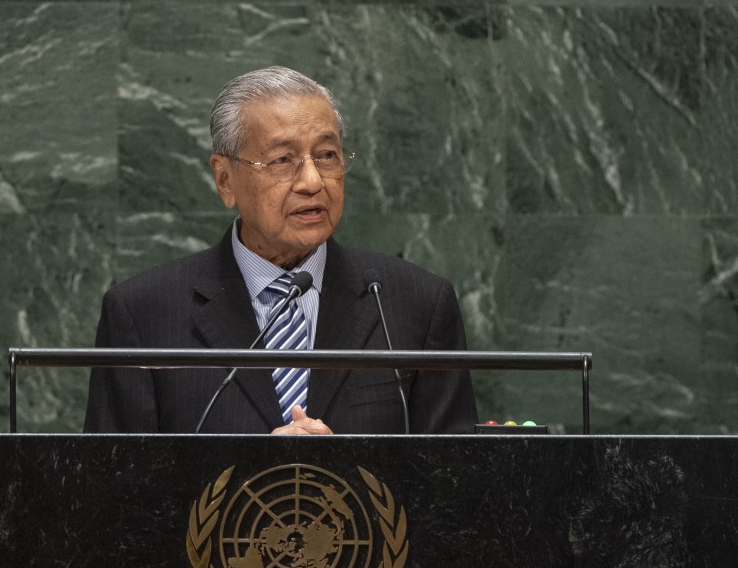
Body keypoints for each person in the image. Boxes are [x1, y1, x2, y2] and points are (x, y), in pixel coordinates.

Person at [84, 66, 477, 435]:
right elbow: (116, 489)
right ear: (225, 179)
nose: (312, 181)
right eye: (282, 160)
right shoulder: (144, 314)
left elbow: (454, 483)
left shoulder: (416, 305)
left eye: (326, 155)